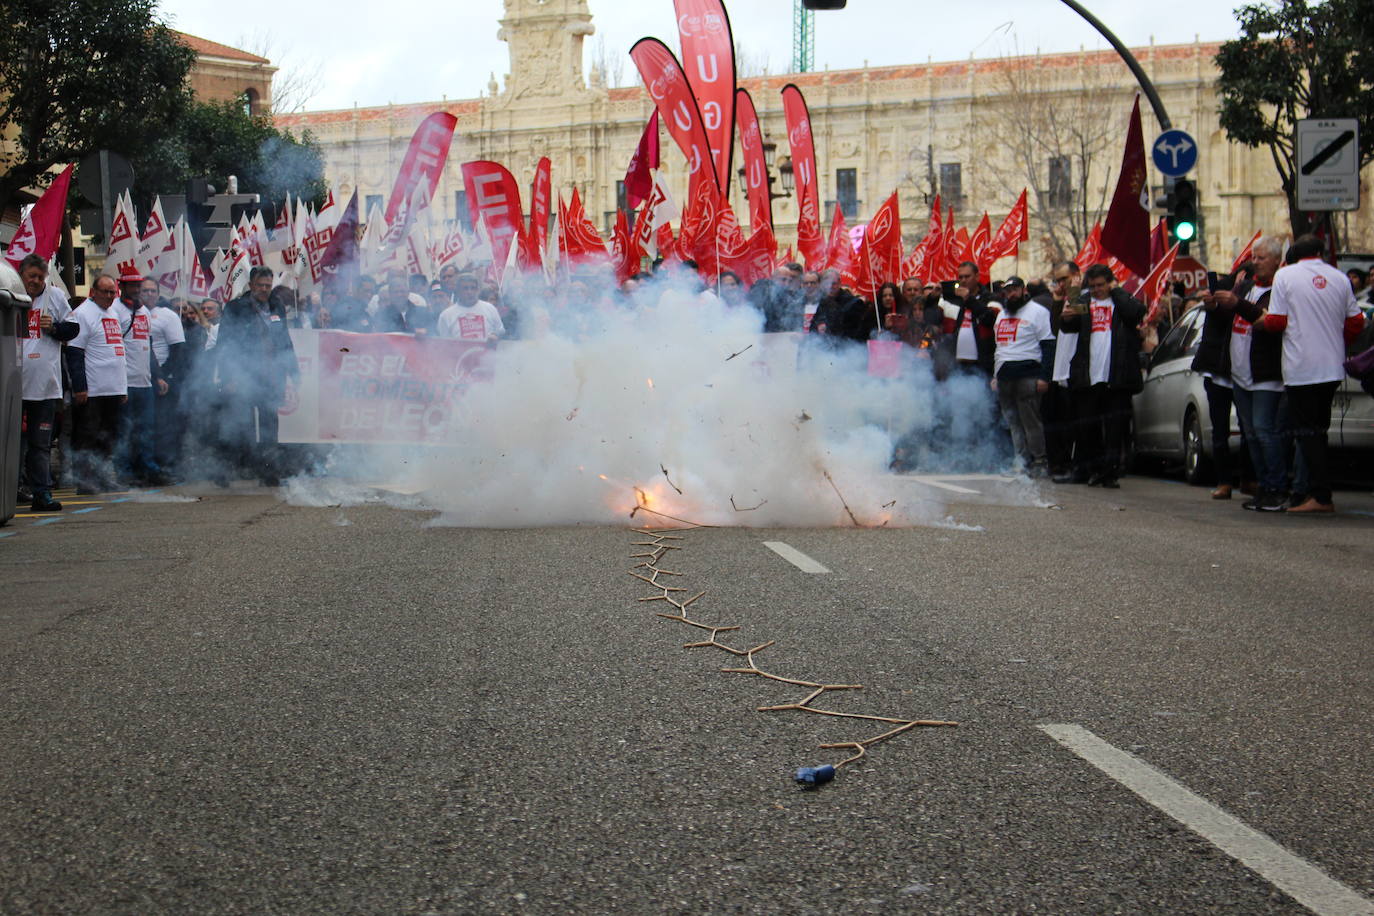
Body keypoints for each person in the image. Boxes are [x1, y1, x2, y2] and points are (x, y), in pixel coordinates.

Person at [1263, 234, 1367, 513]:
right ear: (1319, 253)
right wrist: (1336, 338)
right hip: (1332, 367)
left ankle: (1320, 496)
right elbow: (1357, 321)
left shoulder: (1285, 276)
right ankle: (1314, 492)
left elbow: (1275, 321)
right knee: (1319, 431)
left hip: (1301, 367)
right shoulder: (1339, 278)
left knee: (1307, 433)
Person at [1207, 237, 1286, 511]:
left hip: (1266, 375)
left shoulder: (1280, 289)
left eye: (1262, 257)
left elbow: (1267, 321)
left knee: (1265, 431)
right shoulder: (1248, 287)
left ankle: (1277, 487)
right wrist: (1216, 305)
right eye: (1254, 256)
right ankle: (1263, 487)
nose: (1256, 261)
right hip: (1240, 375)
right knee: (1250, 434)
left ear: (1277, 261)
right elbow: (1226, 320)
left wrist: (1236, 302)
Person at [1059, 263, 1148, 488]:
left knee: (1115, 429)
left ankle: (1110, 473)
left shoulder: (1120, 301)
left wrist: (1116, 291)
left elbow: (1135, 313)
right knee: (1088, 427)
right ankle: (1095, 469)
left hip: (1116, 377)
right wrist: (1072, 299)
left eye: (1101, 285)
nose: (1097, 290)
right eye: (1093, 286)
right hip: (1088, 376)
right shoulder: (1085, 301)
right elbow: (1069, 326)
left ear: (1110, 283)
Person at [219, 266, 300, 486]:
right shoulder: (235, 308)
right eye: (260, 285)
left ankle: (269, 472)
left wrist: (294, 374)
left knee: (270, 426)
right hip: (244, 375)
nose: (264, 289)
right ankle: (239, 469)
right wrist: (229, 378)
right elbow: (225, 344)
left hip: (272, 377)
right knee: (242, 425)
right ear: (251, 285)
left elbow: (285, 342)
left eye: (268, 285)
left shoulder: (276, 305)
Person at [17, 255, 79, 511]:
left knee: (40, 443)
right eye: (31, 276)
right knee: (11, 443)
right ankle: (11, 488)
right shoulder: (10, 295)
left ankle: (41, 493)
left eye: (40, 277)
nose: (35, 281)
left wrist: (54, 327)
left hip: (44, 386)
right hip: (12, 385)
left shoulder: (54, 296)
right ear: (22, 275)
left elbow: (73, 329)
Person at [66, 275, 129, 495]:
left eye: (113, 292)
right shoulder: (83, 314)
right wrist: (80, 386)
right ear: (94, 291)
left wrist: (122, 387)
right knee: (87, 436)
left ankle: (103, 477)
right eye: (106, 292)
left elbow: (117, 351)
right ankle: (84, 480)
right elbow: (74, 353)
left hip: (113, 388)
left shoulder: (112, 313)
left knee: (108, 436)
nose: (110, 296)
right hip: (93, 389)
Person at [1190, 268, 1248, 500]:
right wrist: (1212, 304)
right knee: (1220, 431)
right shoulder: (1221, 296)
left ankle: (1248, 478)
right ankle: (1224, 481)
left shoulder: (1251, 299)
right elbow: (1218, 317)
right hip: (1218, 373)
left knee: (1249, 430)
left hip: (1244, 375)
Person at [991, 276, 1054, 476]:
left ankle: (1039, 460)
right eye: (1007, 291)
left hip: (1028, 373)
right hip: (1005, 376)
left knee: (1031, 421)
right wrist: (995, 375)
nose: (1011, 294)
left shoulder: (1038, 312)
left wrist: (1045, 376)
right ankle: (1021, 460)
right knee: (1013, 423)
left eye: (1014, 290)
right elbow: (999, 347)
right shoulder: (1001, 315)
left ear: (1023, 290)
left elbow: (1048, 345)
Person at [114, 269, 167, 485]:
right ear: (123, 287)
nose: (136, 290)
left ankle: (149, 469)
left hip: (144, 382)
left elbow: (149, 346)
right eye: (132, 286)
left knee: (147, 429)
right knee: (125, 430)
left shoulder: (144, 311)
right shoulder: (115, 310)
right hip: (124, 382)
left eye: (138, 285)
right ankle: (125, 472)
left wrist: (158, 376)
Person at [143, 280, 187, 477]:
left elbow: (177, 350)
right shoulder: (132, 313)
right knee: (144, 425)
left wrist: (163, 376)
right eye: (145, 290)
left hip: (163, 379)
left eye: (153, 290)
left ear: (159, 293)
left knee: (165, 425)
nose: (149, 294)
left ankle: (168, 466)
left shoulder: (168, 316)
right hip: (140, 378)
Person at [941, 261, 998, 376]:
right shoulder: (957, 300)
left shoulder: (990, 298)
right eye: (960, 277)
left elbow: (990, 319)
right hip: (959, 365)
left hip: (981, 365)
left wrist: (969, 299)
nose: (963, 280)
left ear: (977, 277)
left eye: (967, 276)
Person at [435, 272, 504, 342]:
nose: (469, 292)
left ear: (478, 290)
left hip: (489, 352)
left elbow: (501, 330)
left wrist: (495, 335)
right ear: (458, 291)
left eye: (473, 288)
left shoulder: (490, 308)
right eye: (465, 288)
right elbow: (444, 344)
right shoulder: (446, 316)